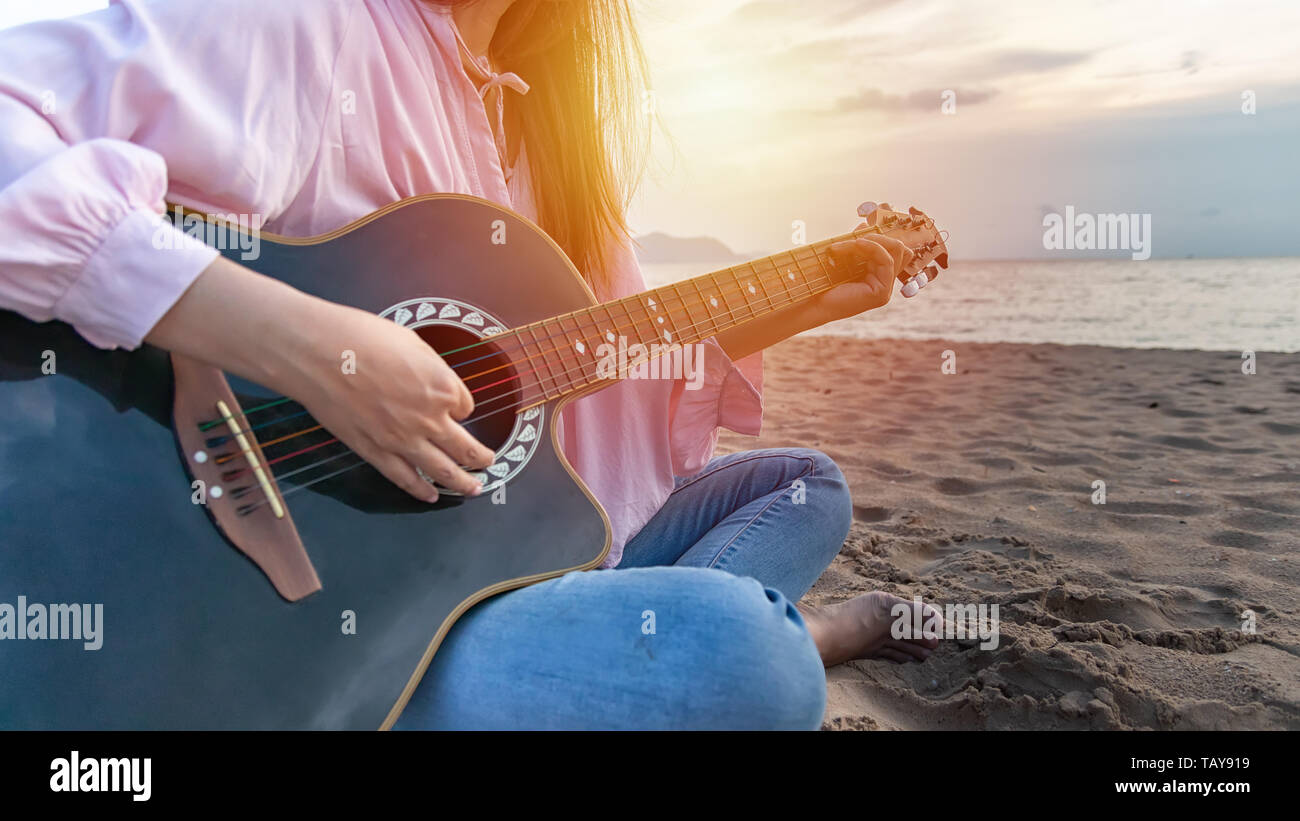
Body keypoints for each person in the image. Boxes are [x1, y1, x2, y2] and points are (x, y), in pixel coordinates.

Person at [0, 0, 941, 729]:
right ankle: (729, 642)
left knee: (808, 486)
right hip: (311, 616)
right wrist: (314, 349)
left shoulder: (537, 141)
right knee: (755, 658)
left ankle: (598, 633)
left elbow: (581, 374)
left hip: (469, 554)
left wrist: (807, 295)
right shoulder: (303, 26)